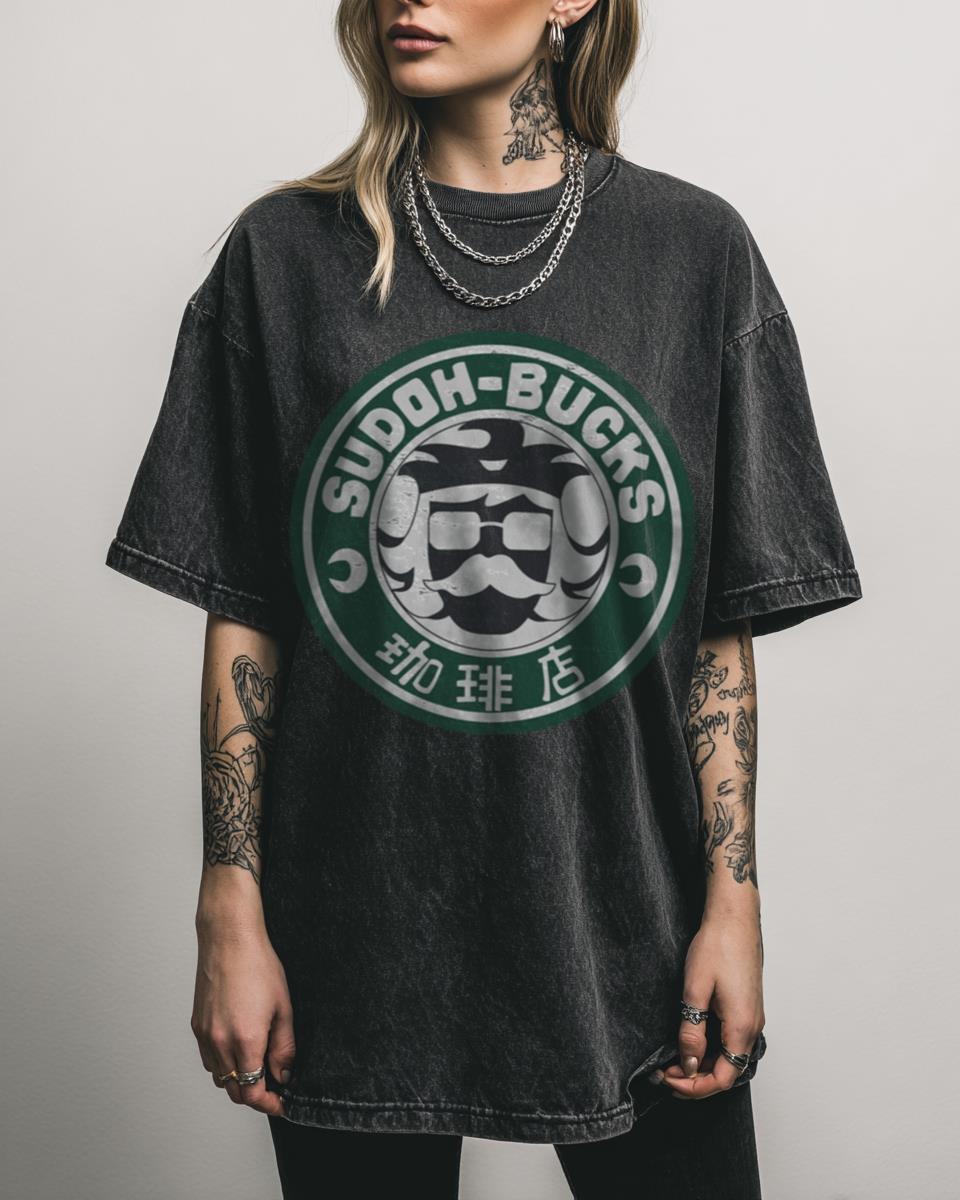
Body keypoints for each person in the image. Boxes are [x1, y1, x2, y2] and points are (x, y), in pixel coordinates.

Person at [104, 1, 864, 1196]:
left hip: (630, 922)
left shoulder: (692, 253)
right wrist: (229, 906)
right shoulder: (284, 255)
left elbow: (715, 633)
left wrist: (734, 902)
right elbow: (246, 610)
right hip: (351, 932)